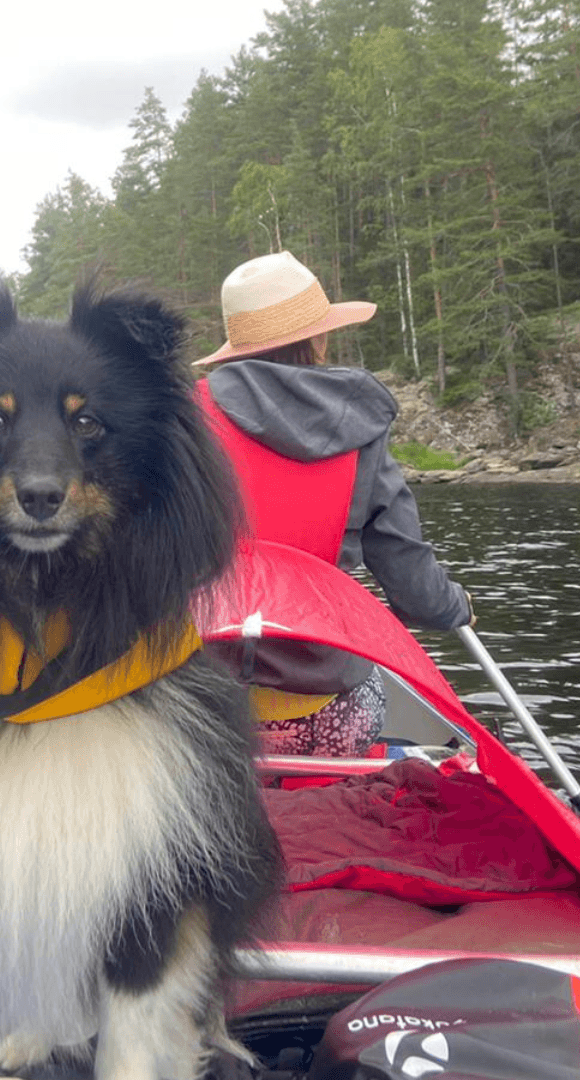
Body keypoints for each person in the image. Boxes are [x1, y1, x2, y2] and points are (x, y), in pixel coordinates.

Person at [194, 251, 473, 756]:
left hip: (202, 716)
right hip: (324, 714)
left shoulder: (184, 422)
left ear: (235, 346)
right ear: (316, 339)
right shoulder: (359, 431)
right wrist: (456, 606)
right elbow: (415, 591)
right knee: (372, 698)